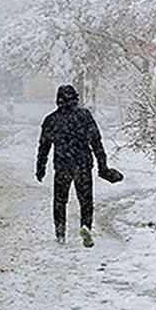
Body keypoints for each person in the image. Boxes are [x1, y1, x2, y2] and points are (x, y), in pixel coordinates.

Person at [36, 84, 108, 247]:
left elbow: (44, 147)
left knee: (60, 201)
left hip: (62, 166)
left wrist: (40, 167)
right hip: (82, 165)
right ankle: (86, 227)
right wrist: (102, 164)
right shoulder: (84, 116)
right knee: (86, 200)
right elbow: (96, 142)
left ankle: (60, 232)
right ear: (76, 99)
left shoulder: (51, 120)